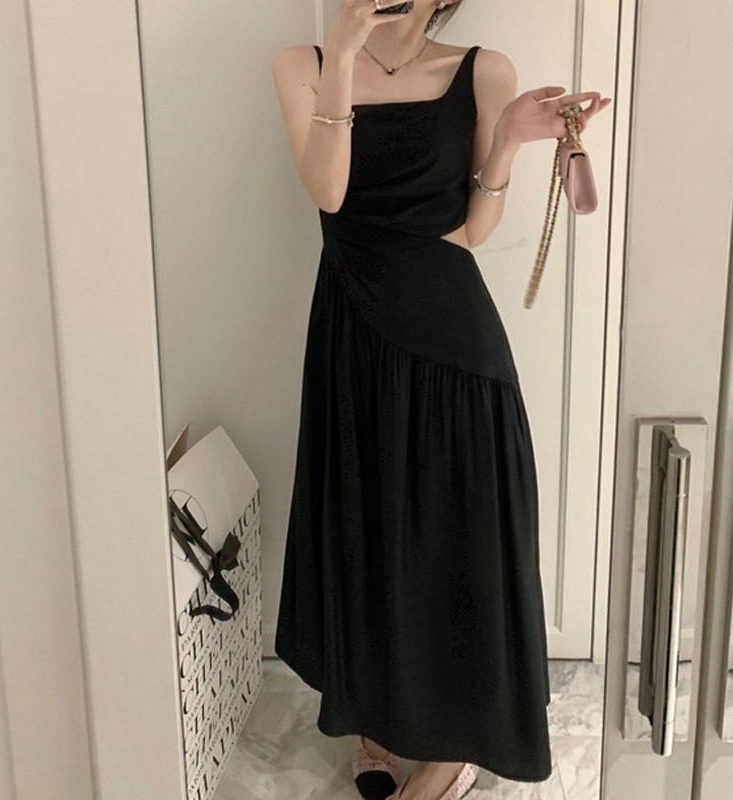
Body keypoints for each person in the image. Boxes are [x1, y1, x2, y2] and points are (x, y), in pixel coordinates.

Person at [271, 2, 611, 799]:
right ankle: (379, 717)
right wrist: (344, 53)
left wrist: (508, 139)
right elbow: (329, 193)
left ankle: (454, 749)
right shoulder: (303, 65)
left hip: (452, 337)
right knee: (368, 520)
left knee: (454, 535)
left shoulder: (484, 72)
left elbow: (471, 230)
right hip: (353, 330)